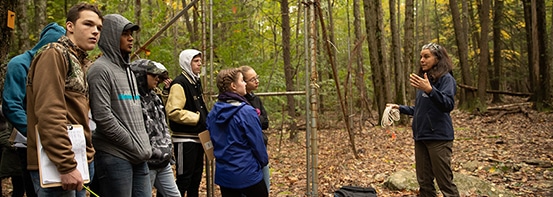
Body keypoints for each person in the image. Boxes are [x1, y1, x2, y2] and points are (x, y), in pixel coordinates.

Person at [25, 3, 102, 196]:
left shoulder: (80, 60)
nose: (95, 31)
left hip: (80, 160)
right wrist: (66, 164)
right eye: (88, 24)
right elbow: (50, 112)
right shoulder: (54, 53)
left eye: (99, 28)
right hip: (56, 165)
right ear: (70, 26)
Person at [87, 14, 152, 197]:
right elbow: (103, 116)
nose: (131, 38)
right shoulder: (99, 70)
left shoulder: (129, 71)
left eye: (131, 33)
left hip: (140, 157)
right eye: (125, 33)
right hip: (114, 156)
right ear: (111, 36)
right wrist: (133, 145)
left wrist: (143, 146)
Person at [387, 42, 460, 197]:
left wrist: (430, 90)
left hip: (439, 138)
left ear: (438, 58)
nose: (422, 60)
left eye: (426, 56)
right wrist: (399, 108)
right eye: (421, 56)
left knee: (445, 183)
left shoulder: (446, 79)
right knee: (424, 183)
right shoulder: (424, 81)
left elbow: (448, 104)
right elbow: (419, 110)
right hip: (421, 136)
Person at [2, 22, 65, 197]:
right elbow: (11, 105)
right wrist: (35, 134)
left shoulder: (60, 64)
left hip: (57, 140)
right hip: (28, 142)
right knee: (34, 189)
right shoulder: (20, 64)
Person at [206, 68, 268, 197]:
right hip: (248, 174)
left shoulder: (213, 113)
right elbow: (258, 144)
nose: (245, 83)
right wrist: (262, 163)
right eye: (242, 81)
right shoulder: (246, 112)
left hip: (225, 176)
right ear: (233, 86)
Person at [130, 59, 180, 197]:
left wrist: (168, 151)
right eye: (153, 75)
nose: (157, 79)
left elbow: (163, 127)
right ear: (140, 75)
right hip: (146, 163)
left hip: (163, 162)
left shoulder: (155, 97)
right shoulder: (132, 101)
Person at [165, 49, 207, 197]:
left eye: (200, 61)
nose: (199, 64)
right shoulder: (180, 83)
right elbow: (173, 111)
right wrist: (197, 118)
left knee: (196, 179)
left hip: (198, 138)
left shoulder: (195, 81)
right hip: (184, 139)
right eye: (195, 61)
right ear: (186, 63)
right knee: (184, 179)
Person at [239, 65, 270, 192]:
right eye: (252, 79)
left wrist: (256, 119)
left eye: (257, 77)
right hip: (247, 154)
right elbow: (246, 124)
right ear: (243, 82)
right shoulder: (239, 101)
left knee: (265, 187)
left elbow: (265, 122)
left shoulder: (256, 99)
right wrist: (257, 119)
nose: (257, 81)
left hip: (261, 149)